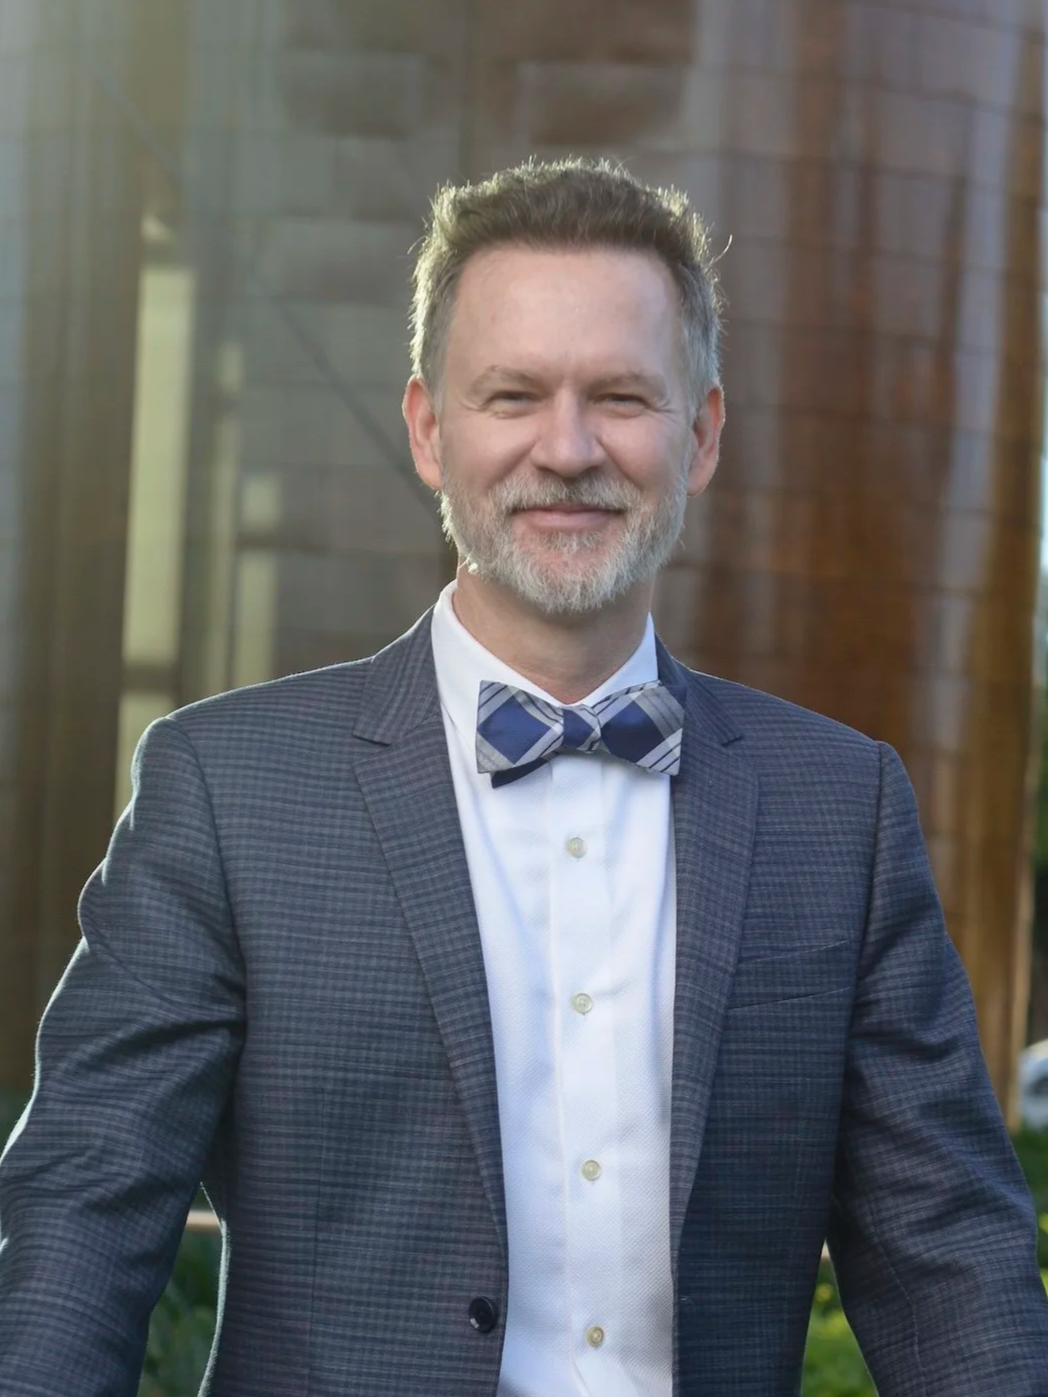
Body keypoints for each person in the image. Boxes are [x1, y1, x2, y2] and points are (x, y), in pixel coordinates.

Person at [1, 157, 1046, 1397]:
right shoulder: (227, 791)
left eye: (619, 395)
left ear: (700, 432)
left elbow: (946, 1262)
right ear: (431, 429)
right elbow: (83, 1217)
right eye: (512, 394)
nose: (566, 448)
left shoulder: (844, 808)